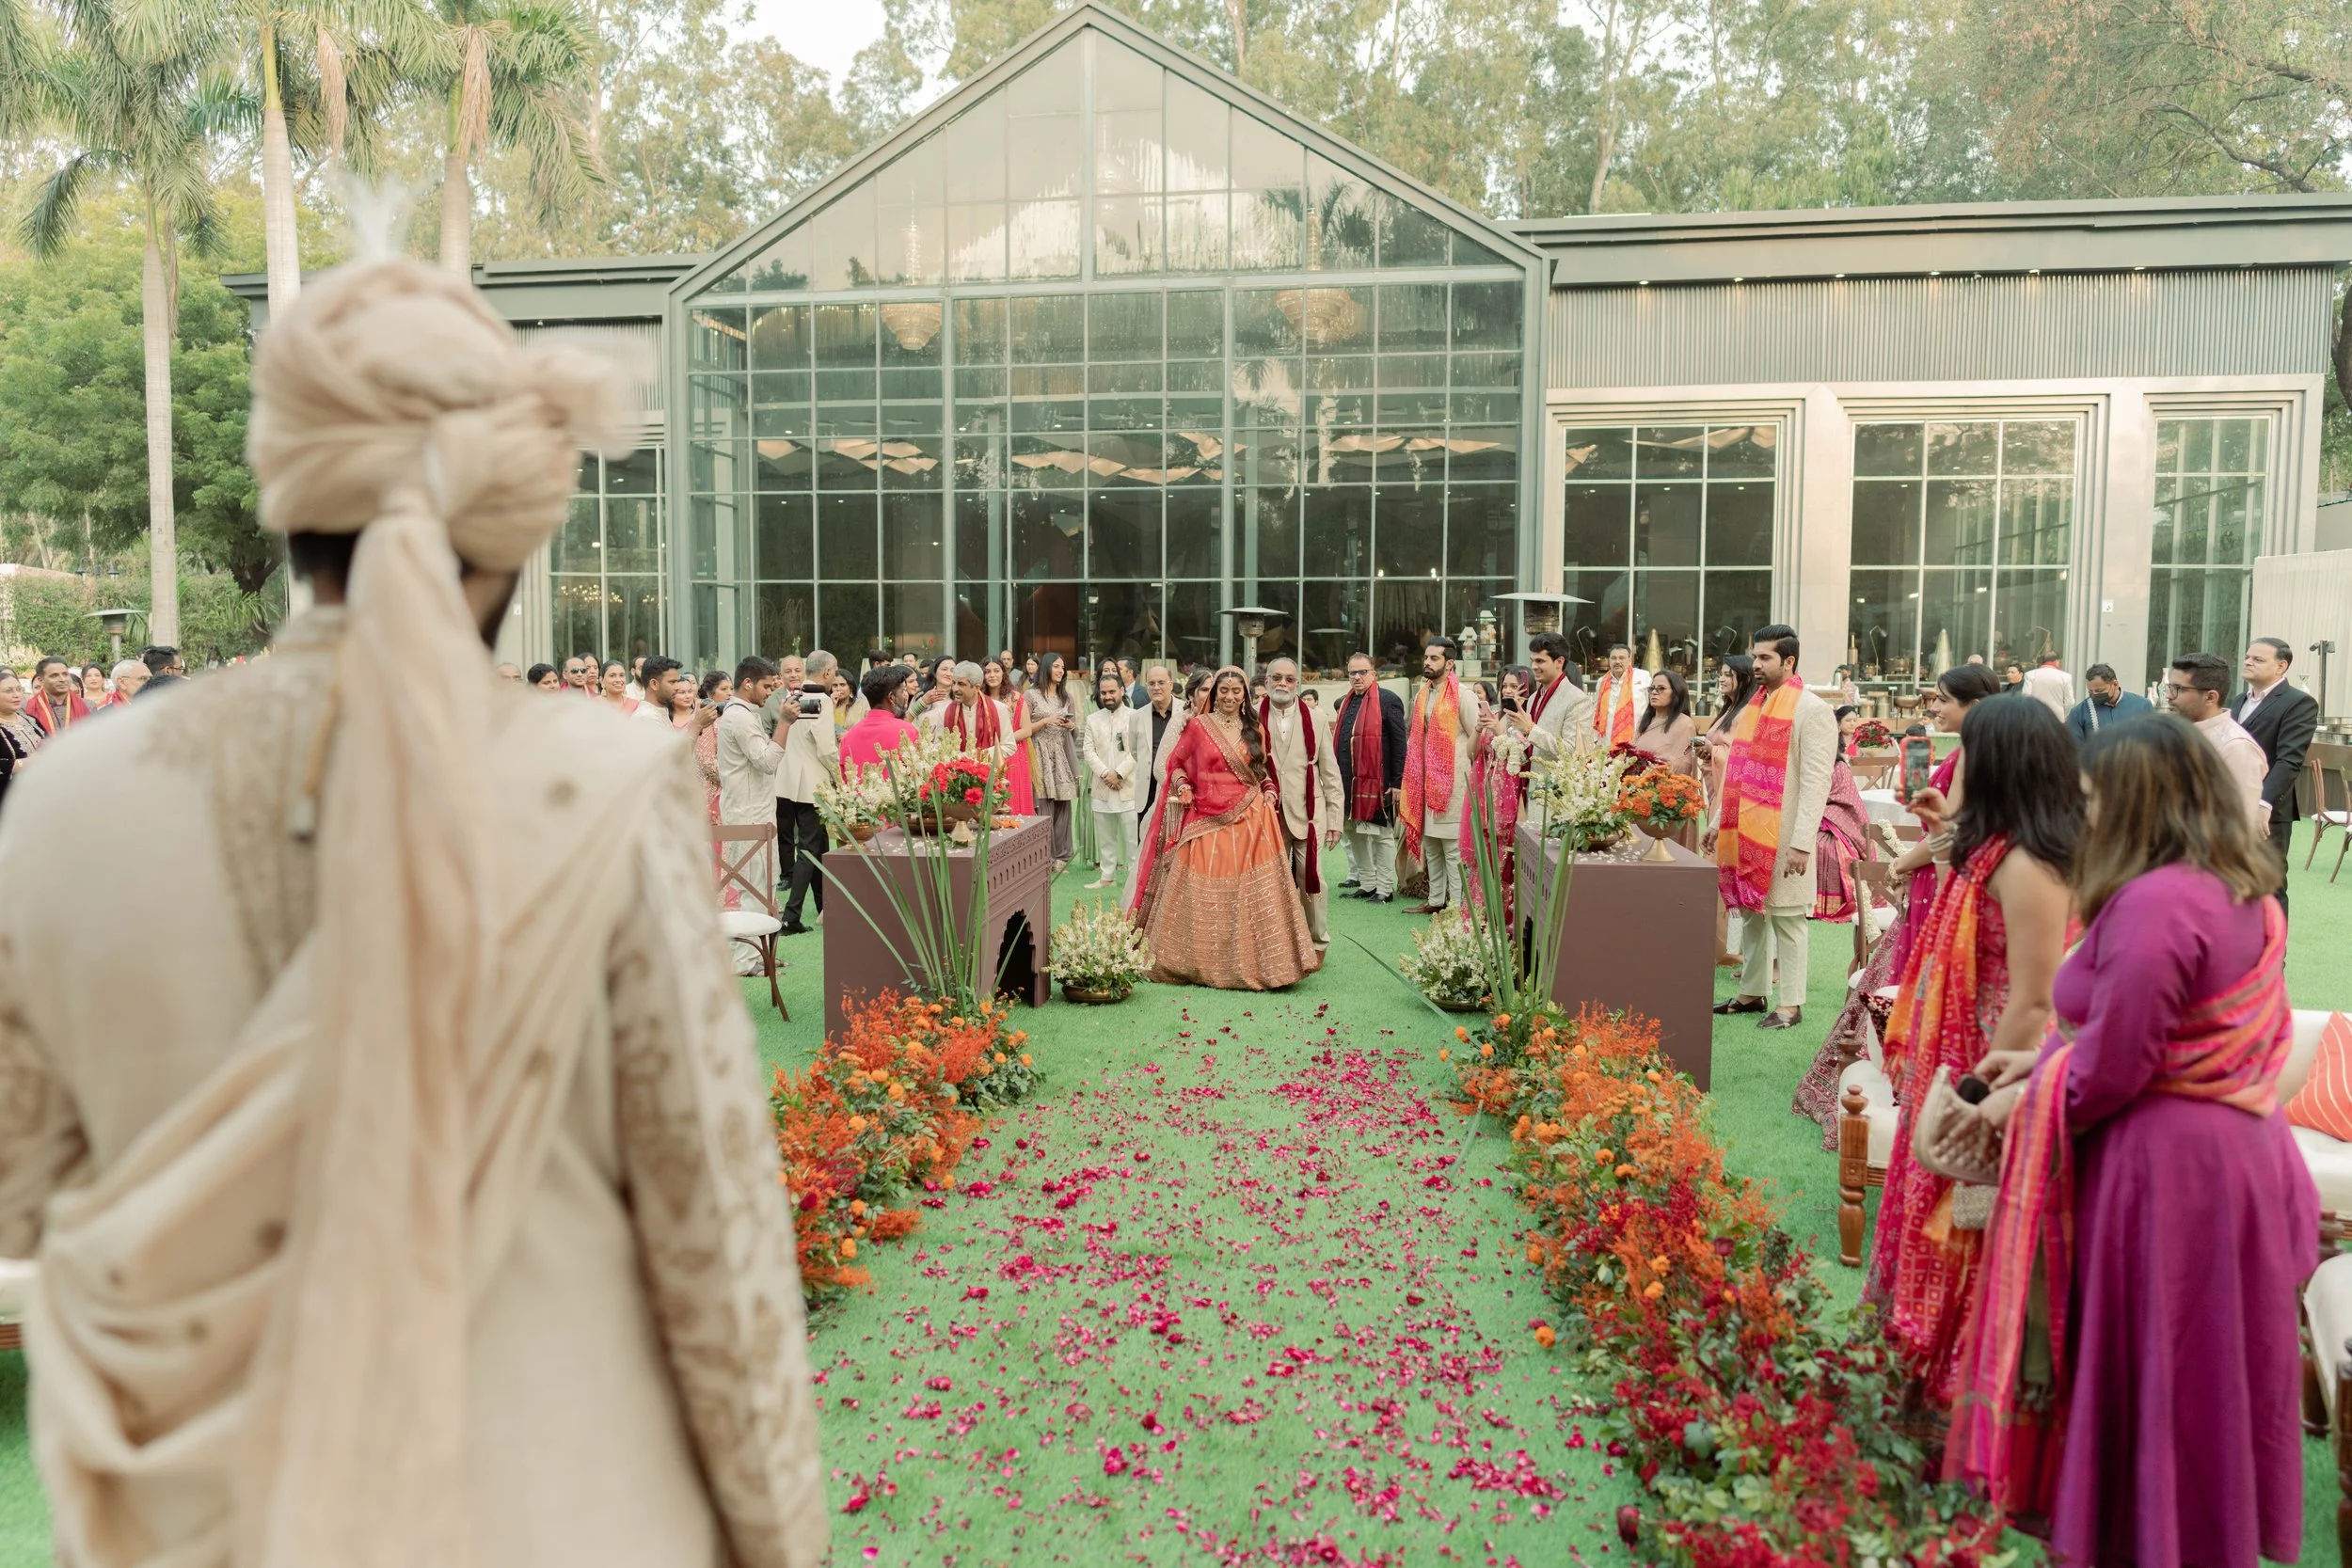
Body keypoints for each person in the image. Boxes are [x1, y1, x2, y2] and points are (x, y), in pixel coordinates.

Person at [0, 259, 823, 1568]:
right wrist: (780, 1534)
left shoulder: (61, 806)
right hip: (565, 1510)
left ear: (287, 485)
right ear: (515, 512)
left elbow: (26, 1198)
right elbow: (714, 1238)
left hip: (202, 1520)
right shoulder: (598, 778)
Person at [1947, 717, 2306, 1559]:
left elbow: (2116, 1064)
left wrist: (2022, 1092)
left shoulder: (2157, 900)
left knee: (2160, 1366)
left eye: (2096, 795)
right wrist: (2042, 1068)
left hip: (2168, 1172)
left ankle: (2145, 1534)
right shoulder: (2235, 885)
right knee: (2204, 1371)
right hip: (2238, 1158)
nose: (2085, 811)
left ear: (2138, 801)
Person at [1867, 695, 2079, 1416]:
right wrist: (1942, 825)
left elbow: (2034, 997)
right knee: (1944, 1208)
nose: (1958, 764)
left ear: (1999, 766)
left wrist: (1985, 1099)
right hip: (1961, 1057)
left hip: (1994, 1065)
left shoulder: (2029, 865)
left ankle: (1967, 1392)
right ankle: (1926, 1369)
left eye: (1969, 754)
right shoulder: (1999, 844)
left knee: (1968, 1218)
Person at [1796, 664, 2004, 1134]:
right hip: (1935, 875)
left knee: (1912, 972)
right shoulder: (1978, 748)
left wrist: (1900, 864)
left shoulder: (1974, 752)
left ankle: (1901, 1077)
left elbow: (1953, 831)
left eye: (1943, 700)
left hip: (1940, 876)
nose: (1933, 707)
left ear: (1974, 706)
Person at [1129, 666, 1323, 990]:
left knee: (1252, 894)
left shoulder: (1254, 728)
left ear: (1244, 695)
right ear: (1214, 693)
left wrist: (1270, 790)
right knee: (1199, 891)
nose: (1230, 697)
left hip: (1251, 817)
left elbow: (1260, 772)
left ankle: (1261, 964)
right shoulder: (1198, 727)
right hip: (1204, 817)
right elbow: (1174, 765)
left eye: (1237, 691)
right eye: (1224, 691)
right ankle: (1194, 964)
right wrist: (1182, 786)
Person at [1706, 625, 1836, 1030]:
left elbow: (1817, 782)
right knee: (1752, 915)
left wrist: (1801, 843)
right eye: (1755, 656)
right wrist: (1716, 822)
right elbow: (1737, 775)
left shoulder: (1812, 710)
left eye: (1765, 658)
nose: (1756, 664)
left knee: (1788, 918)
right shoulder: (1753, 707)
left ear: (1789, 661)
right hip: (1745, 832)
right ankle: (1751, 993)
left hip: (1785, 835)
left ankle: (1791, 1006)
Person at [2230, 635, 2318, 921]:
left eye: (2258, 659)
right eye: (2247, 657)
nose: (2248, 662)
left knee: (2269, 887)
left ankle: (2273, 961)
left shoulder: (2298, 703)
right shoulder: (2239, 700)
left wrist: (2263, 804)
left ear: (2281, 666)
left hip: (2267, 812)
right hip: (2230, 807)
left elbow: (2289, 760)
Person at [1259, 657, 1343, 945]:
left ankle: (1317, 939)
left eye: (1289, 679)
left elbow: (1331, 773)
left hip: (1310, 813)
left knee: (1312, 876)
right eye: (1277, 678)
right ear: (1267, 681)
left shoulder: (1316, 718)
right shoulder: (1252, 715)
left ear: (1297, 684)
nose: (1283, 683)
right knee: (1271, 881)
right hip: (1267, 815)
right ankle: (1277, 941)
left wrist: (1335, 821)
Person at [1403, 638, 1485, 915]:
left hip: (1454, 783)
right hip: (1425, 782)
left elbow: (1478, 734)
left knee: (1452, 848)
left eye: (1434, 658)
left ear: (1449, 663)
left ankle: (1456, 905)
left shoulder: (1463, 695)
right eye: (1426, 657)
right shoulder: (1423, 693)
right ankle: (1436, 901)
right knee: (1433, 846)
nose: (1427, 662)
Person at [1334, 653, 1406, 905]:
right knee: (1354, 833)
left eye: (1362, 672)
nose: (1356, 677)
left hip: (1378, 785)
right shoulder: (1345, 703)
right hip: (1347, 784)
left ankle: (1385, 889)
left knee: (1382, 836)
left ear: (1374, 674)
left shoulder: (1388, 701)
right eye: (1352, 673)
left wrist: (1398, 783)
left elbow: (1400, 746)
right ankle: (1366, 884)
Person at [775, 650, 839, 936]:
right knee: (811, 850)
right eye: (835, 673)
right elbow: (826, 748)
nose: (836, 678)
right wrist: (841, 774)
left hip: (790, 780)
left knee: (818, 846)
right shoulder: (823, 701)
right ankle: (791, 916)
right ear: (826, 673)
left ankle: (826, 905)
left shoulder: (794, 698)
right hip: (813, 783)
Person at [2167, 652, 2266, 834]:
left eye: (2178, 689)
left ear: (2211, 697)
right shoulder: (2175, 734)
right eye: (2169, 687)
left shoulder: (2236, 747)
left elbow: (2236, 826)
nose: (2169, 696)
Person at [719, 656, 790, 908]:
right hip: (749, 818)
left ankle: (756, 947)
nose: (770, 693)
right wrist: (785, 722)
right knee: (755, 895)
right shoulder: (739, 717)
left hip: (754, 813)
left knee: (762, 893)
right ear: (748, 683)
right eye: (767, 686)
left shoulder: (746, 713)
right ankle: (749, 948)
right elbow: (768, 762)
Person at [1703, 655, 1759, 968]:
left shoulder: (1746, 713)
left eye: (1728, 674)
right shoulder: (1729, 709)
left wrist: (1713, 751)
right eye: (1720, 674)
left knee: (1729, 871)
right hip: (1719, 795)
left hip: (1734, 800)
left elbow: (1739, 759)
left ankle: (1732, 950)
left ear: (1743, 677)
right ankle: (1722, 946)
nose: (1722, 679)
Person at [1080, 670, 1142, 890]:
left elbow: (1138, 751)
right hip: (1102, 784)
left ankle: (1135, 880)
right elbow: (1088, 751)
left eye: (1112, 692)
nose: (1107, 696)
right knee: (1106, 836)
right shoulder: (1093, 719)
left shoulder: (1136, 716)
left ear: (1122, 691)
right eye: (1103, 693)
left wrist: (1120, 773)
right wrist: (1107, 773)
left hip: (1128, 785)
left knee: (1132, 836)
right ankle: (1107, 877)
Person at [1022, 652, 1082, 871]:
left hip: (1061, 754)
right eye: (1056, 666)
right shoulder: (1030, 696)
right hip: (1039, 753)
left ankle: (1062, 856)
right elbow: (1024, 729)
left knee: (1063, 805)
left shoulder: (1066, 698)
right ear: (1046, 668)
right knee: (1043, 803)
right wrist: (1047, 720)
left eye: (1063, 668)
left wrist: (1070, 726)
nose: (1060, 671)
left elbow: (1074, 729)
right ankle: (1043, 856)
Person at [979, 657, 1038, 816]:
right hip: (985, 755)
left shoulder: (1015, 698)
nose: (992, 675)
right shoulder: (978, 699)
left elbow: (1026, 731)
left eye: (996, 671)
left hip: (1012, 755)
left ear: (1003, 673)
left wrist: (1002, 742)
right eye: (987, 672)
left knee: (1012, 799)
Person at [838, 663, 919, 775]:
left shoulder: (849, 737)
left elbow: (845, 782)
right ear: (891, 697)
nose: (905, 696)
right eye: (902, 691)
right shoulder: (907, 732)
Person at [1137, 664, 1187, 820]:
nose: (1156, 688)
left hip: (1178, 787)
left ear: (1171, 685)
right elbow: (1134, 751)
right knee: (1145, 839)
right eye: (1151, 684)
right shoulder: (1137, 716)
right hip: (1147, 790)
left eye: (1161, 683)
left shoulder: (1186, 712)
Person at [2062, 662, 2153, 746]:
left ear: (2115, 684)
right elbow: (2072, 747)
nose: (2094, 694)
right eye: (2090, 691)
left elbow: (2152, 741)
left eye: (2099, 690)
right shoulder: (2079, 713)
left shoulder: (2142, 705)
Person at [1630, 667, 1698, 776]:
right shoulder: (1645, 721)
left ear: (1676, 692)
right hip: (1637, 785)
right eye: (1652, 688)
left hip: (1666, 787)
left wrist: (1655, 769)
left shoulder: (1684, 723)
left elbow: (1684, 765)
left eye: (1661, 688)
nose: (1654, 692)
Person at [1590, 642, 1649, 749]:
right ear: (1609, 660)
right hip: (1606, 741)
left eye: (1621, 658)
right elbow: (1596, 710)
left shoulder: (1643, 677)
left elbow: (1652, 707)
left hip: (1637, 739)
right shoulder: (1602, 681)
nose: (1617, 661)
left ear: (1629, 660)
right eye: (1614, 658)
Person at [0, 668, 40, 815]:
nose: (16, 695)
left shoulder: (31, 721)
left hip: (39, 797)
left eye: (19, 689)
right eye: (8, 691)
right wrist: (20, 764)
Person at [25, 657, 91, 739]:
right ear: (40, 680)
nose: (62, 679)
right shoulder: (27, 708)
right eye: (54, 676)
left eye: (65, 674)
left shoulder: (88, 705)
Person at [2020, 652, 2072, 721]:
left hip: (2035, 718)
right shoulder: (2066, 677)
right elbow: (2070, 702)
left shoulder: (2030, 675)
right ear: (2057, 661)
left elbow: (2025, 697)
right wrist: (2062, 714)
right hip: (2057, 719)